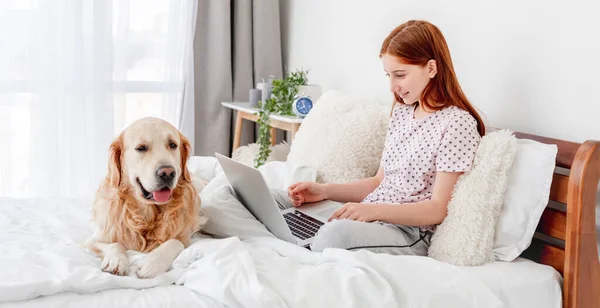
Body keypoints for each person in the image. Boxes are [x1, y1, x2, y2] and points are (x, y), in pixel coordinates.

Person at [287, 20, 486, 256]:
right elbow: (379, 181)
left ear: (431, 68)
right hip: (373, 218)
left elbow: (438, 209)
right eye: (389, 75)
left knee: (332, 235)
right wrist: (324, 191)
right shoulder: (402, 112)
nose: (392, 86)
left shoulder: (457, 123)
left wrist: (374, 212)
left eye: (400, 75)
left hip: (408, 231)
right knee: (279, 201)